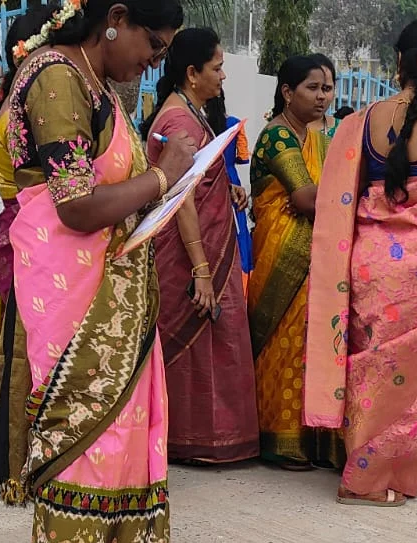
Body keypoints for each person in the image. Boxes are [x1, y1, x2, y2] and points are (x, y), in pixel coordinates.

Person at [0, 0, 191, 543]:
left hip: (107, 286)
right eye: (154, 45)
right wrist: (163, 177)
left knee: (125, 435)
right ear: (116, 17)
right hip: (72, 294)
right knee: (89, 435)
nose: (154, 61)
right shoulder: (57, 76)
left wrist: (154, 177)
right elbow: (75, 206)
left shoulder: (93, 79)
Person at [305, 20, 417, 506]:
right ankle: (370, 479)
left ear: (398, 61)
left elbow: (346, 194)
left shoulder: (362, 122)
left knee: (367, 369)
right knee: (408, 380)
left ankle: (359, 462)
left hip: (367, 267)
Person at [143, 28, 258, 464]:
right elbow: (183, 198)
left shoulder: (191, 112)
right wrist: (201, 270)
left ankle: (210, 437)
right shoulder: (178, 122)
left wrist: (227, 189)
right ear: (192, 73)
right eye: (217, 67)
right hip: (189, 253)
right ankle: (192, 439)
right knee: (199, 338)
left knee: (217, 340)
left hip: (208, 245)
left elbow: (203, 178)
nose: (223, 76)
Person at [0, 4, 54, 503]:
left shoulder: (18, 107)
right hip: (32, 237)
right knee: (27, 351)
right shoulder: (23, 117)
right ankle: (23, 465)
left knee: (25, 348)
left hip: (26, 233)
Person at [248, 53, 339, 469]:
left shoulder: (318, 137)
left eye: (327, 88)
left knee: (310, 344)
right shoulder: (278, 135)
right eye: (312, 87)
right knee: (285, 341)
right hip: (284, 251)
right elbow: (305, 198)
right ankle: (278, 437)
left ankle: (311, 435)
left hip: (315, 254)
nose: (322, 96)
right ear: (287, 91)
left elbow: (321, 192)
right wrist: (342, 193)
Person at [205, 94, 253, 280]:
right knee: (238, 224)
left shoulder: (201, 125)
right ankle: (242, 268)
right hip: (231, 177)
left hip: (210, 177)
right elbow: (243, 157)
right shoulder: (235, 124)